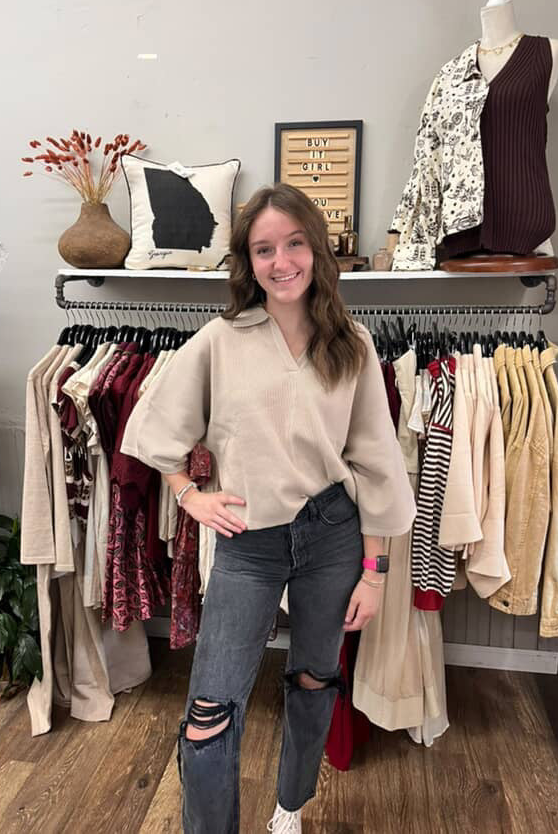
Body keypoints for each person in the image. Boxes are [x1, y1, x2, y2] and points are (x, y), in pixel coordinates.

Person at [121, 183, 416, 834]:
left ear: (317, 250)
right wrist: (189, 494)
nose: (281, 262)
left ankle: (291, 808)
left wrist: (374, 573)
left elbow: (376, 462)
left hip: (334, 535)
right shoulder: (220, 342)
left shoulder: (353, 344)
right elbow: (154, 427)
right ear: (247, 261)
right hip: (249, 541)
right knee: (209, 709)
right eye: (263, 249)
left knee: (314, 679)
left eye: (294, 244)